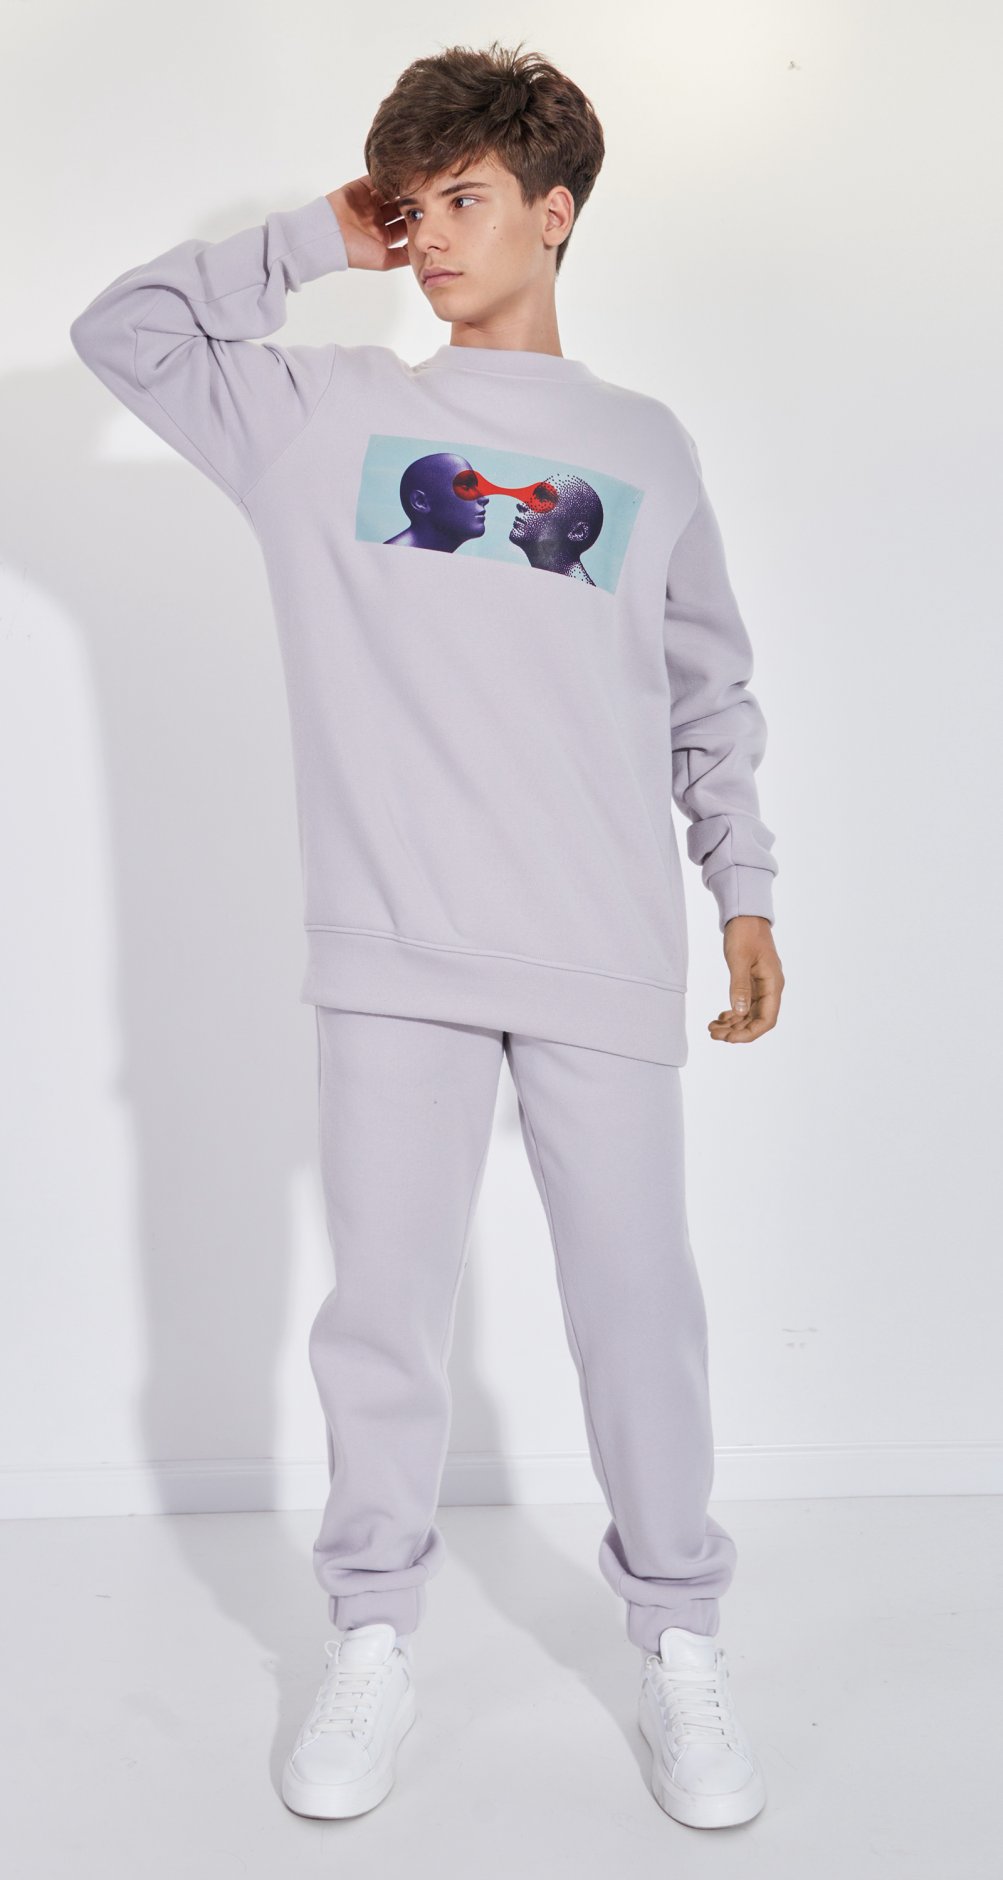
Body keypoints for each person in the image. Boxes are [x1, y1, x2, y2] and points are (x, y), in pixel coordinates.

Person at [69, 37, 784, 1833]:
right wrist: (317, 236)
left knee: (640, 1315)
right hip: (394, 952)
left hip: (600, 949)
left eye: (465, 196)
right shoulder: (322, 422)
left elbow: (710, 690)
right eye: (411, 201)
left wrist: (745, 888)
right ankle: (372, 1634)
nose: (434, 232)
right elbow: (123, 335)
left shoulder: (643, 447)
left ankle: (681, 1642)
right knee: (382, 1318)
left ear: (558, 211)